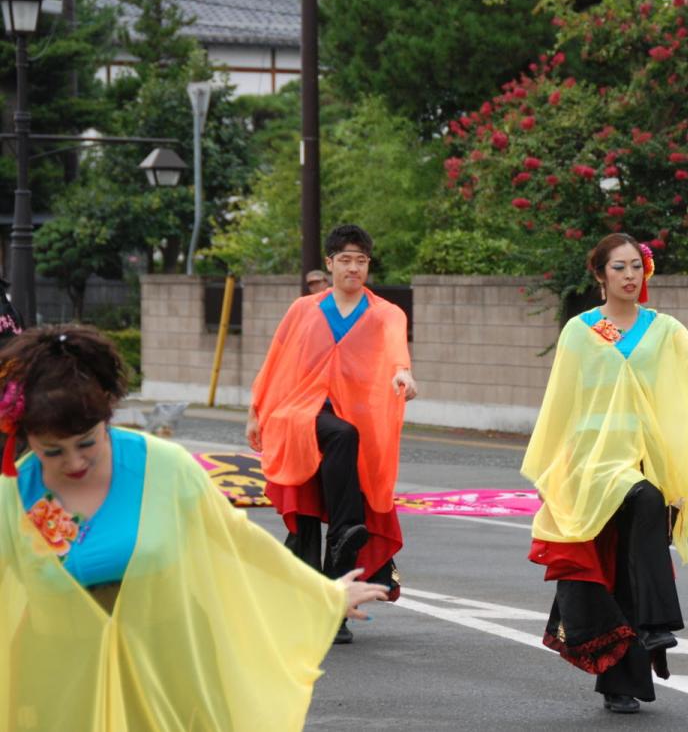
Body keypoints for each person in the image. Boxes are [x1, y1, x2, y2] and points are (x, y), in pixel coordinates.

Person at [0, 325, 387, 730]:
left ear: (107, 418)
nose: (74, 463)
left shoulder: (164, 468)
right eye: (53, 452)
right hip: (65, 680)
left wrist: (323, 596)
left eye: (86, 443)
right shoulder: (17, 491)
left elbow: (236, 543)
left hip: (167, 670)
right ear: (25, 439)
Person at [522, 233, 688, 714]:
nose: (629, 276)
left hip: (642, 457)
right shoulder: (581, 330)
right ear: (600, 275)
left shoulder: (662, 328)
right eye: (618, 268)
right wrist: (557, 468)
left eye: (636, 267)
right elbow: (562, 399)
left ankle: (623, 681)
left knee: (625, 563)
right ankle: (657, 622)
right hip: (594, 461)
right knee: (640, 509)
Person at [247, 224, 417, 645]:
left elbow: (397, 348)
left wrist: (403, 373)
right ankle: (344, 530)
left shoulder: (384, 313)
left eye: (361, 260)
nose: (353, 268)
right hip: (297, 416)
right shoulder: (303, 309)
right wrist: (256, 412)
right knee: (337, 445)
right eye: (345, 259)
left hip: (358, 423)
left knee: (315, 507)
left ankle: (332, 612)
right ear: (329, 263)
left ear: (368, 265)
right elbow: (274, 361)